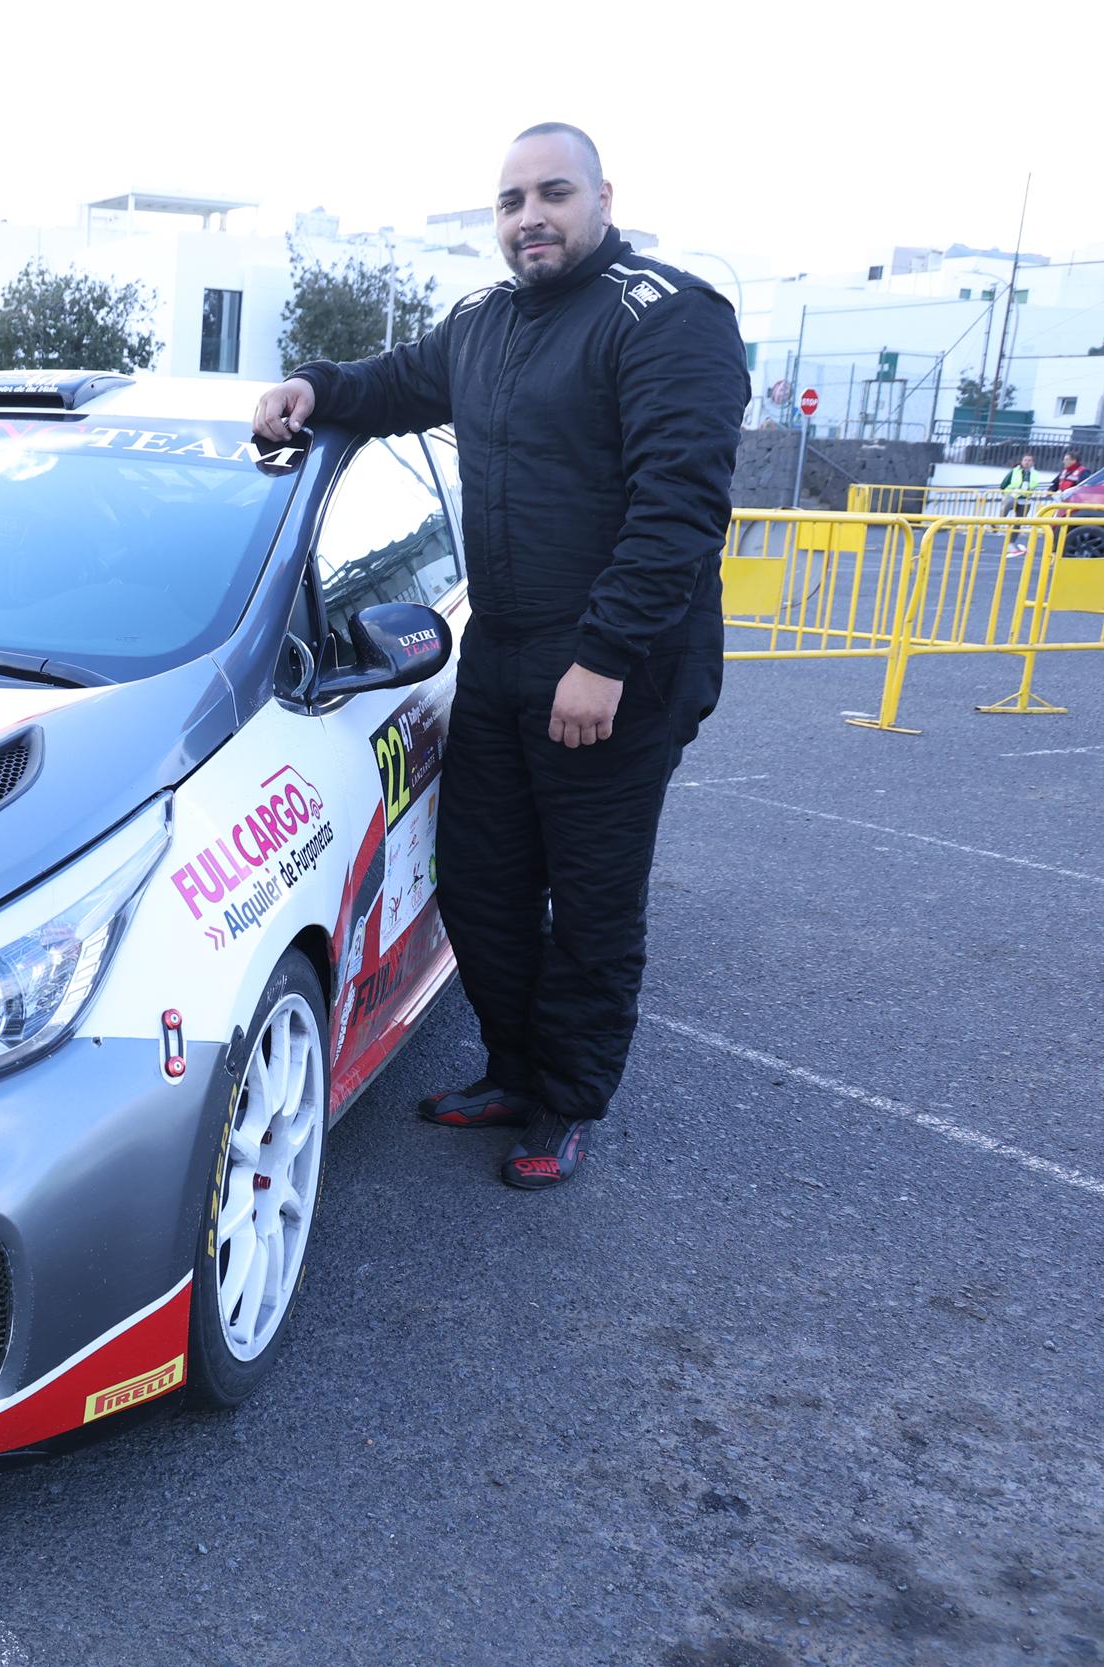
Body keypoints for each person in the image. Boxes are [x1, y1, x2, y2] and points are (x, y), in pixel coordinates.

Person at [253, 122, 748, 1191]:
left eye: (551, 193)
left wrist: (605, 657)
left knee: (590, 899)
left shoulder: (666, 319)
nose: (529, 216)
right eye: (509, 200)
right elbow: (390, 386)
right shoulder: (481, 324)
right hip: (504, 655)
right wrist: (311, 387)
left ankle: (565, 1101)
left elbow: (678, 509)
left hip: (619, 671)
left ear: (602, 198)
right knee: (480, 882)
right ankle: (511, 1067)